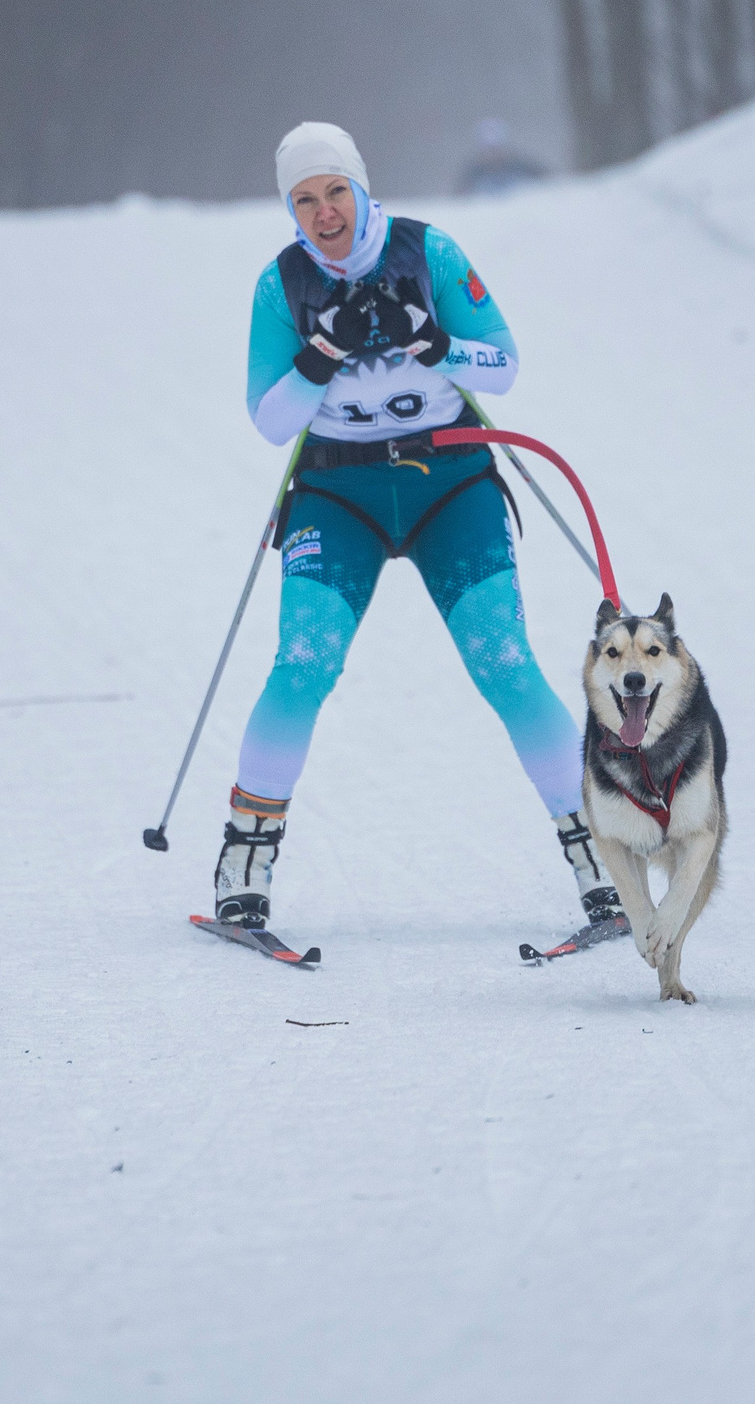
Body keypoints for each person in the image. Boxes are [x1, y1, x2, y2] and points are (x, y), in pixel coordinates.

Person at [214, 121, 615, 935]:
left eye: (335, 192)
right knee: (302, 666)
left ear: (361, 190)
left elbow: (503, 363)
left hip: (450, 482)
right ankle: (243, 863)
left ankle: (602, 860)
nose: (324, 213)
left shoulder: (427, 252)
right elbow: (269, 418)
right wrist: (319, 353)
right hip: (338, 493)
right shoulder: (280, 284)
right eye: (304, 200)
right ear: (289, 209)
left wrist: (433, 342)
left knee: (506, 664)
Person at [454, 117, 550, 197]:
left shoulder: (522, 166)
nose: (493, 155)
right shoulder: (473, 174)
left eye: (496, 149)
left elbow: (549, 183)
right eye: (488, 150)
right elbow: (460, 200)